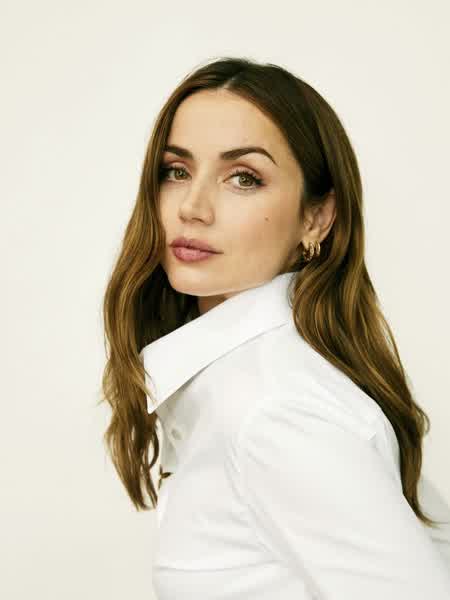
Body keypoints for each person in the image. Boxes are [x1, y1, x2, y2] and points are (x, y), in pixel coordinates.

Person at [100, 57, 450, 599]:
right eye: (177, 171)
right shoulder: (254, 384)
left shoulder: (275, 411)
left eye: (244, 178)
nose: (193, 207)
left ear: (316, 218)